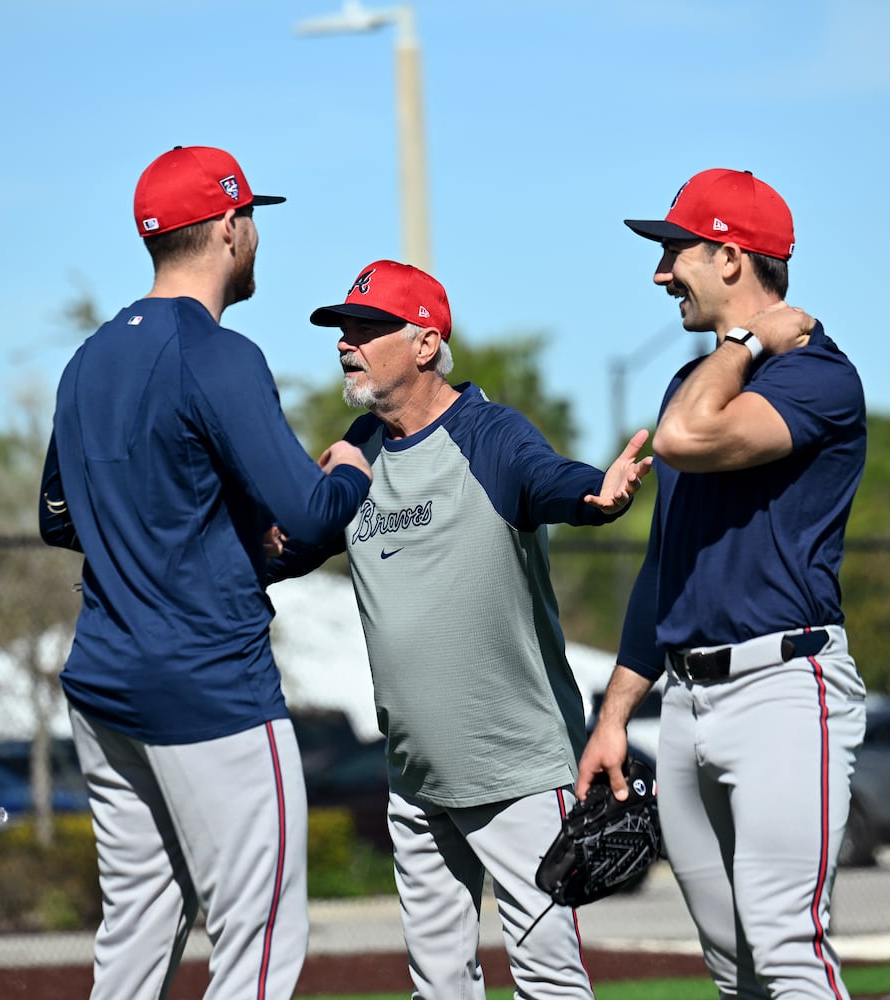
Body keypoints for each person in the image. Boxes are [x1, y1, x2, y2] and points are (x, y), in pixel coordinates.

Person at [38, 146, 373, 1000]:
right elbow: (307, 515)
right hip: (207, 682)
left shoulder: (90, 359)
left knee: (137, 932)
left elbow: (54, 517)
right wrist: (349, 474)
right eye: (251, 218)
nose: (254, 234)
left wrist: (178, 528)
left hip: (104, 682)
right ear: (230, 227)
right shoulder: (218, 353)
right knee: (258, 934)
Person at [267, 258, 652, 999]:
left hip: (518, 771)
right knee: (438, 987)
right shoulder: (361, 447)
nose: (348, 343)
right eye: (344, 329)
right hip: (416, 776)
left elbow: (549, 478)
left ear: (424, 342)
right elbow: (296, 545)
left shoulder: (489, 433)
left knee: (549, 982)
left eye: (369, 328)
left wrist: (595, 495)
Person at [577, 168, 869, 999]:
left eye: (676, 251)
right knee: (731, 970)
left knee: (786, 948)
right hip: (685, 699)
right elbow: (665, 566)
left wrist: (744, 343)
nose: (662, 272)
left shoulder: (819, 376)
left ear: (732, 257)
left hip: (784, 686)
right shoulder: (692, 382)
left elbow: (683, 437)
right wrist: (615, 716)